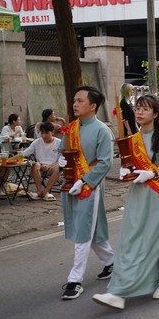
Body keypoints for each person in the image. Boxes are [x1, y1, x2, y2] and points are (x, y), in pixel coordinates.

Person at [92, 95, 159, 310]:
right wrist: (126, 172)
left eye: (145, 109)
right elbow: (130, 167)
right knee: (130, 241)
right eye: (138, 108)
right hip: (137, 196)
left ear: (155, 113)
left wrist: (153, 174)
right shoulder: (132, 139)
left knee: (156, 242)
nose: (140, 112)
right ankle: (118, 291)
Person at [59, 85, 114, 300]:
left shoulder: (102, 130)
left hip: (90, 187)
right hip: (71, 185)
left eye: (80, 100)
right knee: (89, 229)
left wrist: (84, 181)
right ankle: (111, 262)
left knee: (83, 231)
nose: (75, 104)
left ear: (93, 106)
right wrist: (60, 160)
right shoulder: (71, 128)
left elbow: (105, 162)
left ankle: (75, 280)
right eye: (74, 100)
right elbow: (63, 152)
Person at [23, 122, 61, 201]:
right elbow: (24, 154)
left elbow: (62, 159)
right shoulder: (37, 142)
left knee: (59, 167)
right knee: (35, 165)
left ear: (52, 132)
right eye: (42, 133)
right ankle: (39, 191)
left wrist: (49, 166)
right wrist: (9, 159)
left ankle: (46, 191)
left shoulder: (59, 142)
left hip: (53, 166)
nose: (44, 136)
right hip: (40, 166)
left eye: (46, 133)